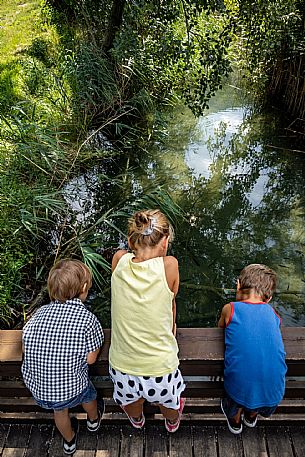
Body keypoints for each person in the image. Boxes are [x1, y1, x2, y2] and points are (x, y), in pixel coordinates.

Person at [109, 209, 186, 432]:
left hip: (123, 366)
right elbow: (172, 298)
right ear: (165, 241)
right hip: (160, 367)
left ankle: (137, 420)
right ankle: (172, 421)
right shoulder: (169, 265)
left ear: (130, 240)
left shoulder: (118, 259)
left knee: (131, 402)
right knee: (169, 402)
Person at [22, 259, 104, 455]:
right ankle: (93, 420)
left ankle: (69, 442)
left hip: (41, 391)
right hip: (72, 389)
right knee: (89, 395)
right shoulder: (87, 320)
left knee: (60, 413)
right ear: (84, 288)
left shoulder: (39, 313)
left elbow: (25, 347)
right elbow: (90, 360)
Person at [218, 263, 287, 434]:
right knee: (255, 394)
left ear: (238, 285)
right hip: (273, 395)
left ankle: (235, 423)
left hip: (238, 391)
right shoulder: (274, 315)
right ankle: (251, 417)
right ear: (268, 299)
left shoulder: (231, 308)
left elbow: (220, 327)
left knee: (238, 396)